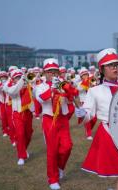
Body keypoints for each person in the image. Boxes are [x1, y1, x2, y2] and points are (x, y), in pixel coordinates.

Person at [75, 48, 118, 190]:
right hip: (109, 134)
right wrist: (81, 112)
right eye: (110, 65)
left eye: (117, 64)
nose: (115, 68)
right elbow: (88, 116)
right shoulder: (95, 91)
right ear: (101, 69)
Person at [35, 58, 73, 190]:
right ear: (45, 73)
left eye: (55, 71)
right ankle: (52, 178)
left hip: (62, 118)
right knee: (52, 150)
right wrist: (52, 89)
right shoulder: (40, 86)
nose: (52, 74)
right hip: (49, 119)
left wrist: (66, 87)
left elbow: (71, 96)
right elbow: (41, 98)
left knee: (67, 146)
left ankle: (60, 167)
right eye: (49, 71)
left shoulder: (63, 83)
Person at [6, 69, 34, 166]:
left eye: (20, 77)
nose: (19, 79)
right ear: (13, 79)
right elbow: (14, 91)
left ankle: (23, 150)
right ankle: (21, 156)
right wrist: (22, 80)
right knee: (20, 134)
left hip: (28, 113)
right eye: (17, 77)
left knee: (29, 134)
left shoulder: (27, 84)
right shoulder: (9, 86)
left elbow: (34, 93)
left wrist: (35, 79)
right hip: (17, 114)